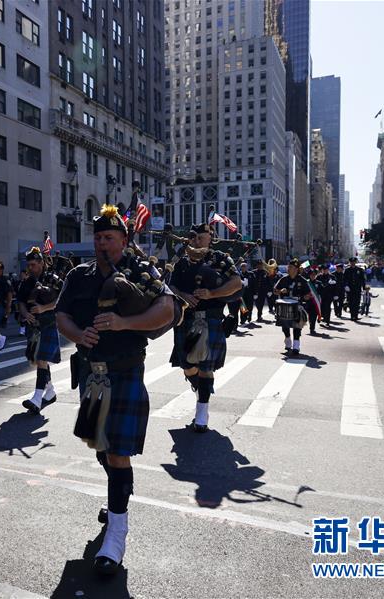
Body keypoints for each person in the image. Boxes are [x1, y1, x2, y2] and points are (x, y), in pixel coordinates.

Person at [56, 204, 177, 577]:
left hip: (124, 372)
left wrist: (125, 323)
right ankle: (116, 500)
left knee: (117, 453)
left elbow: (168, 310)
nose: (102, 243)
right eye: (98, 237)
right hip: (91, 376)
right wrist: (79, 335)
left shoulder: (141, 271)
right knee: (102, 450)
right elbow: (61, 316)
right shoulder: (78, 275)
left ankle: (117, 534)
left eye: (109, 237)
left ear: (124, 240)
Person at [168, 222, 242, 432]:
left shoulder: (221, 259)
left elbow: (236, 283)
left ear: (211, 237)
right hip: (186, 320)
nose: (197, 240)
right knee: (188, 366)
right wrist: (183, 295)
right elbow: (171, 286)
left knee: (206, 367)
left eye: (202, 236)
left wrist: (212, 294)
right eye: (195, 237)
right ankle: (200, 388)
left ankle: (202, 413)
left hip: (211, 319)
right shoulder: (182, 261)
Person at [16, 247, 60, 413]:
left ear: (41, 263)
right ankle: (50, 391)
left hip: (48, 323)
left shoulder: (52, 279)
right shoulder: (27, 282)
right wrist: (25, 313)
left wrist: (43, 308)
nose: (30, 268)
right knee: (38, 360)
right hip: (33, 326)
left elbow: (61, 299)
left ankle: (36, 398)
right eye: (29, 265)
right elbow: (21, 301)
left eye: (33, 264)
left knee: (41, 359)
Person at [272, 258, 312, 354]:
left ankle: (296, 346)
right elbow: (275, 290)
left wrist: (306, 297)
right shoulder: (283, 279)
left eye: (290, 267)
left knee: (297, 326)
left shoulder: (302, 280)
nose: (288, 268)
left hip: (297, 305)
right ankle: (288, 340)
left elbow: (308, 294)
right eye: (288, 267)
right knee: (284, 325)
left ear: (296, 269)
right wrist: (280, 291)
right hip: (284, 305)